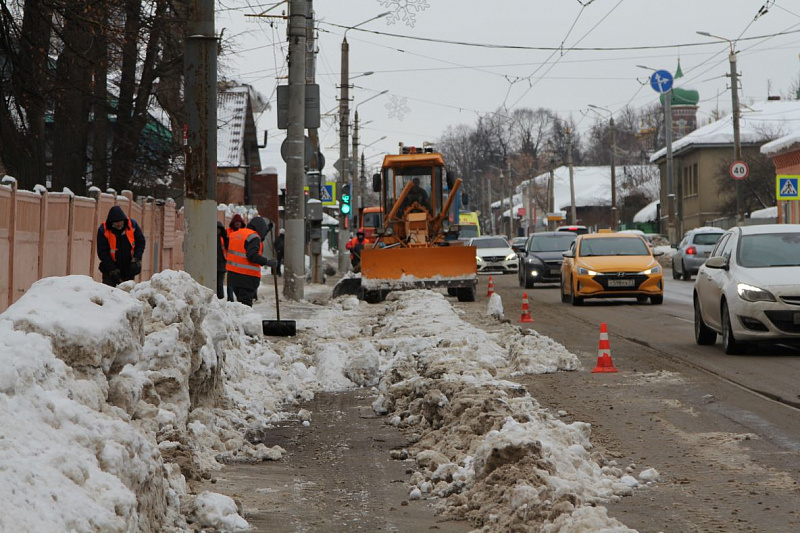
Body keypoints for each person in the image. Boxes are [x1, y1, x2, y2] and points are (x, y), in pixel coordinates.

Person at [225, 216, 277, 307]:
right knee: (245, 307)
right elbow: (252, 256)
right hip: (247, 278)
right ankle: (244, 321)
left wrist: (268, 229)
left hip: (233, 277)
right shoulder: (254, 237)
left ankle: (241, 320)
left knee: (240, 306)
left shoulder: (237, 234)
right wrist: (267, 262)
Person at [97, 205, 146, 287]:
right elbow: (102, 252)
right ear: (111, 222)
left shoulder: (132, 225)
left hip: (128, 267)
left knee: (127, 292)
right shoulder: (103, 230)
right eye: (116, 222)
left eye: (120, 221)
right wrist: (112, 269)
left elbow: (140, 243)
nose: (119, 224)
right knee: (109, 292)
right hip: (109, 269)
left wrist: (136, 259)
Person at [226, 214, 246, 301]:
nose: (238, 224)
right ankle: (231, 300)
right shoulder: (228, 232)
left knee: (239, 283)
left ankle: (239, 298)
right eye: (236, 222)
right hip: (230, 261)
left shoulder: (244, 232)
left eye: (239, 222)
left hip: (241, 263)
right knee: (230, 283)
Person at [216, 221, 229, 299]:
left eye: (219, 229)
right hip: (214, 265)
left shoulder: (223, 239)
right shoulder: (211, 239)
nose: (217, 231)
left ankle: (220, 298)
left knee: (220, 284)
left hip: (221, 265)